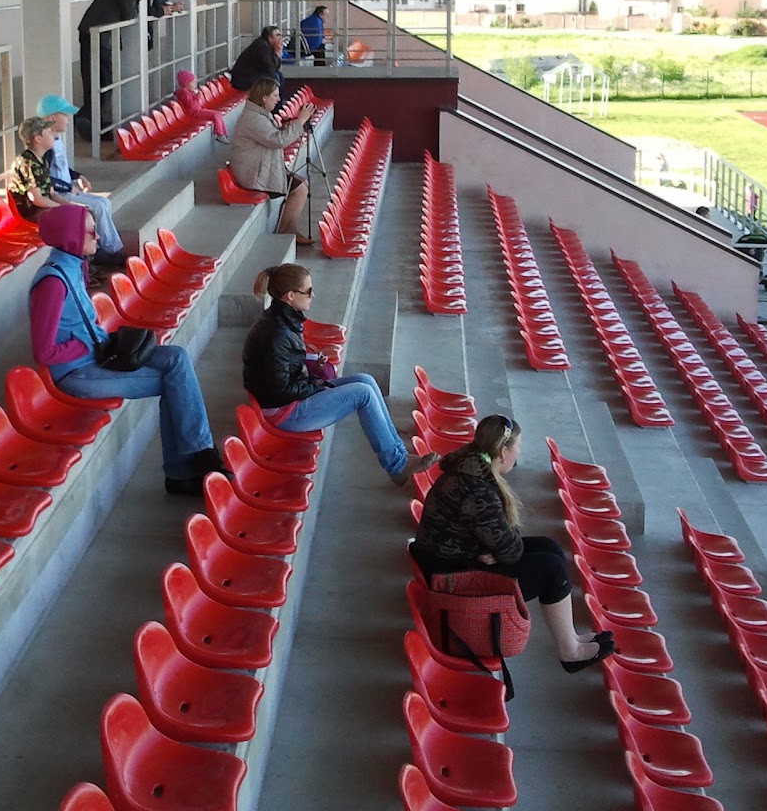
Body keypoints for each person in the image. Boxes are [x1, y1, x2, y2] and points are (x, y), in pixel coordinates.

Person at [27, 205, 225, 495]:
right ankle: (188, 467)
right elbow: (44, 352)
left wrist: (96, 341)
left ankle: (197, 455)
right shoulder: (52, 283)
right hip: (76, 373)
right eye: (91, 231)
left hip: (97, 356)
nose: (98, 236)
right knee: (174, 383)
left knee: (176, 357)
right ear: (71, 236)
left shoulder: (73, 266)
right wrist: (85, 344)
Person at [412, 415, 615, 674]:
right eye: (518, 446)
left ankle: (572, 637)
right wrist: (496, 551)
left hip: (452, 559)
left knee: (550, 547)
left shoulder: (470, 467)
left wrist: (494, 550)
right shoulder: (478, 490)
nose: (519, 452)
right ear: (503, 452)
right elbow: (511, 550)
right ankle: (569, 651)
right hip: (451, 578)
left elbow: (502, 536)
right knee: (550, 568)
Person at [242, 264, 436, 485]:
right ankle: (397, 465)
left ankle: (399, 453)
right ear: (290, 296)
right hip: (283, 412)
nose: (313, 296)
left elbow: (284, 374)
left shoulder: (282, 320)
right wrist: (316, 386)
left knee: (365, 380)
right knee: (362, 393)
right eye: (308, 291)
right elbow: (280, 390)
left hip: (290, 398)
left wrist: (314, 380)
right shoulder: (278, 332)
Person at [7, 118, 128, 269]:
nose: (52, 134)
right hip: (33, 212)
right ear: (38, 139)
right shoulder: (27, 162)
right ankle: (92, 260)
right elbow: (36, 199)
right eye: (48, 132)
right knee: (76, 219)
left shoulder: (41, 160)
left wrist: (71, 205)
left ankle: (95, 255)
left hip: (44, 207)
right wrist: (64, 209)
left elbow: (51, 193)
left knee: (85, 211)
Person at [35, 93, 128, 257]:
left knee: (104, 202)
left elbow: (62, 168)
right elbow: (44, 179)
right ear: (52, 117)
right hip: (59, 195)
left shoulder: (56, 140)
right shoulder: (46, 147)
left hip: (67, 191)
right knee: (98, 207)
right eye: (65, 115)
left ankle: (101, 246)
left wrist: (78, 176)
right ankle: (112, 251)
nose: (68, 119)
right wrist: (68, 186)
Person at [77, 0, 159, 133]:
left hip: (98, 35)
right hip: (96, 35)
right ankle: (86, 120)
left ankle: (94, 122)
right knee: (101, 80)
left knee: (101, 80)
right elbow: (129, 13)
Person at [229, 77, 310, 243]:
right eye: (275, 95)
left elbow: (271, 136)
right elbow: (277, 141)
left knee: (301, 185)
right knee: (300, 188)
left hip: (259, 166)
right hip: (254, 173)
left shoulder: (258, 114)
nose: (278, 99)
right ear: (264, 97)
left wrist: (284, 128)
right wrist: (300, 121)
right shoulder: (254, 119)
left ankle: (289, 228)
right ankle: (285, 230)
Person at [173, 69, 229, 143]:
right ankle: (220, 134)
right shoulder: (184, 93)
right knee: (215, 114)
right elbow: (191, 104)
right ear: (186, 84)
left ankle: (224, 134)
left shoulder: (188, 92)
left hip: (198, 110)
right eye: (193, 83)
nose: (195, 85)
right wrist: (197, 96)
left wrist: (195, 95)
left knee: (218, 113)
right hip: (195, 113)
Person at [228, 25, 285, 95]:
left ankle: (278, 100)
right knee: (274, 77)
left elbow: (275, 68)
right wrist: (276, 54)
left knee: (279, 75)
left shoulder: (268, 46)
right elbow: (270, 69)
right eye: (278, 35)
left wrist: (277, 54)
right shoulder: (261, 46)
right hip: (242, 79)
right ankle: (273, 100)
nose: (281, 38)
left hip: (253, 75)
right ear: (270, 38)